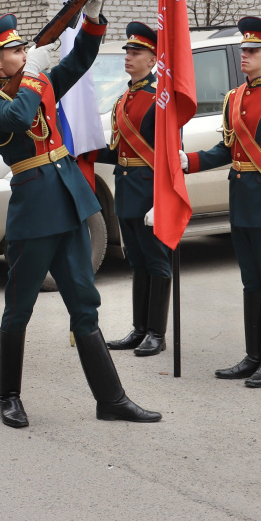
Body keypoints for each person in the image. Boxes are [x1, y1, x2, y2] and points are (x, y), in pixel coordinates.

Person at [0, 0, 161, 428]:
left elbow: (79, 60)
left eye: (25, 48)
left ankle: (110, 399)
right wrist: (35, 73)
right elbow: (16, 120)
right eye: (17, 50)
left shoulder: (38, 83)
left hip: (71, 202)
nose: (26, 52)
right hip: (35, 210)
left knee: (84, 304)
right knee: (19, 307)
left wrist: (93, 18)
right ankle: (9, 397)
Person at [181, 16, 261, 388]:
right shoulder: (235, 97)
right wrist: (192, 161)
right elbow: (228, 148)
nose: (244, 55)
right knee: (251, 282)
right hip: (242, 205)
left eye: (252, 51)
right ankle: (254, 356)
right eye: (243, 50)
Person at [98, 22, 172, 357]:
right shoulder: (123, 99)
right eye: (127, 51)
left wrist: (162, 201)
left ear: (153, 58)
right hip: (127, 189)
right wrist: (78, 147)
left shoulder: (160, 100)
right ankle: (139, 329)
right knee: (137, 263)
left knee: (157, 263)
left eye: (137, 52)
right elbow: (117, 150)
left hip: (149, 192)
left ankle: (157, 332)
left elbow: (170, 156)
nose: (129, 56)